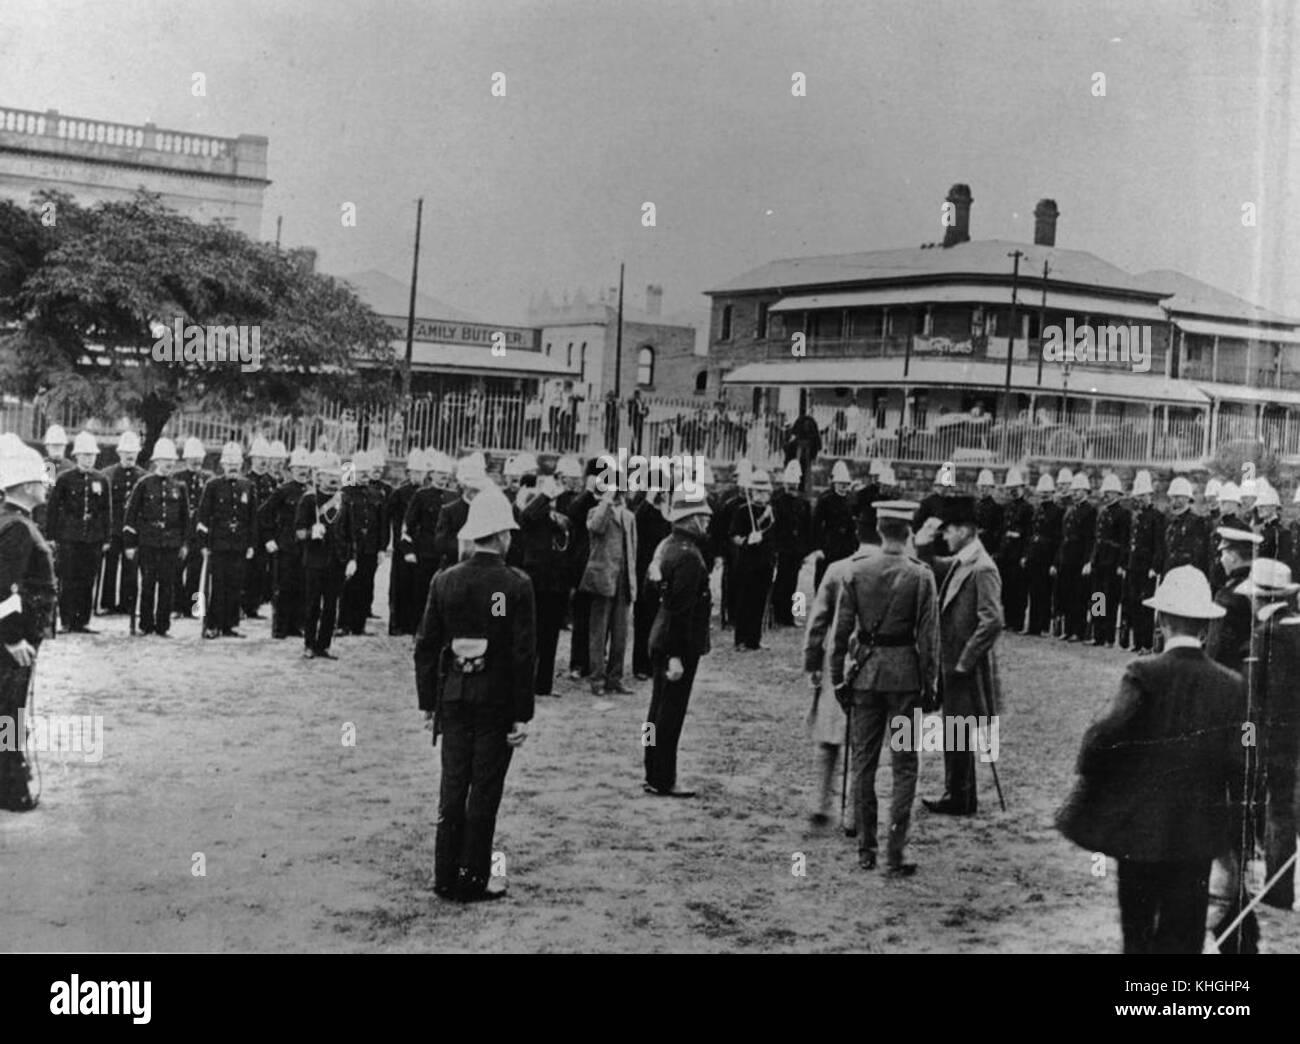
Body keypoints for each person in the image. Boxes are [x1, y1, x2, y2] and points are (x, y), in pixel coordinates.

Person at [1056, 566, 1244, 955]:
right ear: (1205, 628)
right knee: (1185, 933)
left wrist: (1102, 781)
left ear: (1160, 621)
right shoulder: (1231, 685)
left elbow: (1102, 737)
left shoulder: (1143, 672)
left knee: (1138, 934)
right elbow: (1241, 760)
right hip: (1196, 833)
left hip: (1139, 831)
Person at [414, 483, 535, 901]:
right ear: (502, 535)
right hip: (494, 700)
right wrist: (523, 714)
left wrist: (428, 703)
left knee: (452, 786)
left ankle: (446, 875)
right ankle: (472, 877)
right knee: (483, 789)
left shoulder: (444, 581)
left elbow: (426, 646)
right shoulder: (512, 585)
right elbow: (520, 654)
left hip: (453, 697)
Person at [829, 502, 938, 874]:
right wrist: (931, 682)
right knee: (905, 767)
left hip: (864, 678)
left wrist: (836, 678)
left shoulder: (857, 571)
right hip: (905, 681)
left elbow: (840, 633)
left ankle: (866, 850)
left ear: (879, 530)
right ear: (908, 534)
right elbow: (929, 638)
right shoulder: (921, 576)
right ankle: (896, 853)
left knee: (863, 764)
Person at [914, 494, 1004, 816]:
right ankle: (959, 794)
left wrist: (965, 661)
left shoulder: (982, 567)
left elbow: (993, 620)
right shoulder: (965, 560)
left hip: (966, 666)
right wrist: (922, 545)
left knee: (960, 727)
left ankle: (960, 796)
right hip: (954, 662)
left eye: (949, 531)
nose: (945, 537)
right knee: (956, 727)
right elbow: (932, 569)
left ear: (965, 530)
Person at [802, 511, 879, 833]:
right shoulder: (896, 570)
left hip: (836, 663)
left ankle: (820, 802)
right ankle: (855, 814)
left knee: (828, 736)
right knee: (863, 743)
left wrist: (811, 662)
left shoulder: (837, 569)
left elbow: (817, 621)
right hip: (873, 667)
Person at [0, 435, 57, 812]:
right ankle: (10, 788)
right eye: (41, 479)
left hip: (16, 637)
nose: (46, 484)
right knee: (10, 714)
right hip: (14, 641)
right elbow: (3, 587)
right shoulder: (18, 528)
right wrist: (13, 638)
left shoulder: (12, 521)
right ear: (25, 485)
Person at [643, 487, 713, 797]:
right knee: (670, 713)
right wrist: (675, 654)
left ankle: (652, 771)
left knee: (656, 711)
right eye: (703, 517)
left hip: (659, 635)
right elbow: (679, 610)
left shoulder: (666, 546)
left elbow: (651, 595)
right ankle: (663, 778)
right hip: (677, 644)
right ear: (692, 519)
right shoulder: (688, 557)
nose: (707, 523)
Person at [121, 437, 189, 637]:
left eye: (171, 460)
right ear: (156, 461)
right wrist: (130, 545)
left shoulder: (179, 486)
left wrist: (184, 543)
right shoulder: (144, 484)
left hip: (170, 543)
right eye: (164, 459)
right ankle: (146, 624)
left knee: (167, 585)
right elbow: (131, 515)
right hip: (148, 542)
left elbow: (185, 518)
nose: (169, 464)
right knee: (148, 583)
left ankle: (163, 626)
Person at [580, 468, 637, 696]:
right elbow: (595, 527)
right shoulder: (596, 512)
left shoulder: (630, 517)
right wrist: (606, 500)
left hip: (623, 580)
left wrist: (632, 580)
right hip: (602, 579)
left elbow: (633, 550)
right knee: (598, 633)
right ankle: (597, 679)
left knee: (621, 634)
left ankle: (615, 677)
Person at [45, 430, 110, 634]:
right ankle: (66, 621)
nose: (89, 459)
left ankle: (82, 621)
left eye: (92, 455)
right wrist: (52, 536)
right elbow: (53, 508)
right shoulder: (64, 478)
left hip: (93, 537)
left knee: (87, 579)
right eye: (85, 455)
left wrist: (106, 536)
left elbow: (106, 511)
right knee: (69, 579)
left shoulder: (101, 479)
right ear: (77, 456)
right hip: (69, 536)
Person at [515, 474, 570, 697]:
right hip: (535, 583)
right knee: (532, 636)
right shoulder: (530, 519)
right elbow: (527, 515)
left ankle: (544, 685)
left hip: (555, 585)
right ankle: (527, 682)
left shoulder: (554, 520)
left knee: (550, 638)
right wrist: (545, 495)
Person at [194, 441, 257, 639]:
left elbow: (252, 518)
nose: (232, 466)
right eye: (229, 462)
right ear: (222, 464)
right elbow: (203, 517)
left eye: (236, 462)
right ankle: (213, 624)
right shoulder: (213, 485)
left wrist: (251, 544)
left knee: (236, 585)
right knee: (218, 585)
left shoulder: (248, 486)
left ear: (241, 464)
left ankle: (230, 625)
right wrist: (203, 544)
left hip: (239, 543)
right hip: (218, 543)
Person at [295, 453, 354, 660]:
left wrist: (352, 559)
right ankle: (309, 644)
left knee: (331, 606)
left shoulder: (344, 500)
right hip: (314, 561)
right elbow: (298, 533)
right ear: (318, 477)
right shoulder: (309, 500)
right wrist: (312, 532)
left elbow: (349, 533)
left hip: (337, 562)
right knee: (312, 605)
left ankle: (324, 645)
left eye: (337, 477)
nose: (334, 480)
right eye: (329, 476)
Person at [260, 447, 313, 639]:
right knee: (283, 589)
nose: (303, 471)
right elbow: (264, 514)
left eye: (306, 467)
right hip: (285, 547)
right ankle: (280, 628)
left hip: (305, 548)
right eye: (299, 467)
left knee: (301, 587)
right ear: (291, 469)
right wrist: (269, 539)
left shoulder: (311, 492)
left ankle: (296, 626)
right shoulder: (282, 491)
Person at [338, 450, 387, 636]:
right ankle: (343, 624)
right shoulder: (344, 493)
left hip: (370, 548)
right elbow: (341, 526)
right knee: (347, 586)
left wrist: (382, 548)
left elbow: (382, 524)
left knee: (365, 586)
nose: (365, 476)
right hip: (352, 548)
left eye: (367, 472)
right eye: (361, 472)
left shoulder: (377, 494)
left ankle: (359, 625)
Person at [729, 468, 776, 651]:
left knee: (759, 602)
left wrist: (774, 560)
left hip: (765, 564)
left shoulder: (771, 512)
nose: (761, 494)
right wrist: (748, 538)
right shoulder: (742, 511)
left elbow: (774, 539)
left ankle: (754, 640)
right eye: (758, 491)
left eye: (764, 491)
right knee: (744, 602)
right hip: (747, 563)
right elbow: (734, 536)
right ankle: (740, 640)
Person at [100, 430, 145, 615]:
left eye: (133, 452)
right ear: (119, 453)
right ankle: (107, 603)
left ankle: (128, 604)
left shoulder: (143, 476)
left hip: (132, 530)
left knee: (131, 567)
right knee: (110, 567)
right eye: (126, 452)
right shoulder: (107, 474)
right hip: (113, 528)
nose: (129, 455)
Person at [1083, 473, 1130, 648]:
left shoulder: (1123, 514)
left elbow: (1125, 541)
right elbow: (1097, 539)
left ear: (1118, 494)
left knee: (1110, 599)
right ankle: (1098, 634)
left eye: (1111, 492)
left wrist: (1121, 564)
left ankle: (1109, 637)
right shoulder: (1102, 513)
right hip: (1100, 560)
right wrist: (1091, 560)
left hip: (1113, 561)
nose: (1108, 495)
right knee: (1097, 597)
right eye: (1106, 492)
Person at [631, 476, 671, 680]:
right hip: (643, 572)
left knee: (661, 621)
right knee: (643, 621)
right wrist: (649, 500)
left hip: (662, 572)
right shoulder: (643, 510)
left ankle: (656, 663)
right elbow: (637, 522)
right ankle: (640, 665)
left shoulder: (667, 513)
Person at [387, 449, 428, 636]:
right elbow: (388, 516)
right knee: (399, 586)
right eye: (414, 472)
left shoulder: (427, 493)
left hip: (419, 546)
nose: (418, 476)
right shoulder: (399, 493)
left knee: (415, 586)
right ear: (408, 472)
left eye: (421, 472)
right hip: (401, 545)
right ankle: (396, 623)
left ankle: (412, 623)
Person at [1124, 470, 1163, 655]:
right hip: (1133, 565)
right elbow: (1130, 542)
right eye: (1138, 495)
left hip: (1147, 567)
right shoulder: (1135, 516)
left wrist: (1155, 567)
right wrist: (1126, 564)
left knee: (1145, 604)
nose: (1140, 499)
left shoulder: (1156, 516)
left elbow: (1158, 544)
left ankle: (1147, 644)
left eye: (1143, 495)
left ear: (1150, 495)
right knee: (1133, 603)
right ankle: (1137, 642)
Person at [1054, 472, 1096, 643]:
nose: (1074, 493)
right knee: (1067, 595)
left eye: (1078, 490)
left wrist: (1088, 561)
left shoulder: (1091, 511)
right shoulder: (1070, 510)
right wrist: (1058, 560)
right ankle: (1068, 629)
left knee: (1082, 596)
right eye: (1074, 490)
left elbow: (1090, 539)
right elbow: (1063, 537)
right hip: (1067, 558)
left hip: (1080, 558)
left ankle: (1080, 631)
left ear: (1085, 491)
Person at [242, 436, 279, 621]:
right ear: (252, 459)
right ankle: (240, 606)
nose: (263, 461)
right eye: (259, 457)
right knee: (245, 571)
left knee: (260, 570)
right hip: (249, 531)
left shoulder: (272, 482)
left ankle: (252, 607)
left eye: (266, 458)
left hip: (266, 532)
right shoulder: (245, 480)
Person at [173, 437, 209, 618]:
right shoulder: (177, 477)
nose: (196, 462)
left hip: (199, 533)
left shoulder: (208, 478)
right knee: (176, 571)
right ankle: (177, 606)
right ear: (186, 458)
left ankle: (194, 608)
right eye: (193, 458)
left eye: (199, 459)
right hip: (181, 532)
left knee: (196, 573)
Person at [1024, 472, 1061, 636]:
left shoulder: (1057, 511)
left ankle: (1044, 626)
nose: (1044, 495)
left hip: (1048, 556)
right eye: (1042, 492)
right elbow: (1031, 534)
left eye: (1047, 492)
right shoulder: (1038, 510)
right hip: (1035, 556)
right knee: (1033, 592)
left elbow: (1058, 539)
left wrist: (1054, 562)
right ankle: (1033, 626)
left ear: (1052, 493)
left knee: (1046, 593)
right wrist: (1027, 554)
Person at [996, 467, 1032, 633]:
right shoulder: (1007, 508)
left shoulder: (1027, 508)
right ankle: (1009, 620)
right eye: (1011, 489)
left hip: (1018, 554)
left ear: (1022, 488)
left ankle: (1017, 622)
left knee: (1019, 590)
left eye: (1016, 488)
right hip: (1006, 554)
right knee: (1007, 589)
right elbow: (1002, 530)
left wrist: (1025, 554)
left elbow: (1029, 533)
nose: (1013, 491)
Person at [811, 460, 857, 593]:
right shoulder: (825, 499)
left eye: (846, 484)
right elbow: (816, 524)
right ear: (834, 483)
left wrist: (854, 546)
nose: (843, 487)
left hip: (845, 547)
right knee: (823, 581)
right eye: (841, 484)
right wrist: (818, 547)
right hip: (828, 546)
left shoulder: (850, 500)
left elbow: (852, 525)